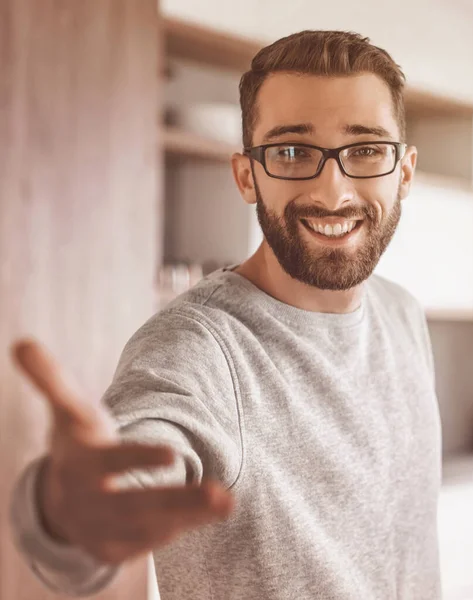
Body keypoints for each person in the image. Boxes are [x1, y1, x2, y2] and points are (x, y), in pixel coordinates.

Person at [9, 29, 441, 600]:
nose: (333, 191)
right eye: (292, 152)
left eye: (365, 150)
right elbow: (124, 475)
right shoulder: (199, 349)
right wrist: (67, 517)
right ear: (246, 176)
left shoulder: (403, 313)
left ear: (403, 172)